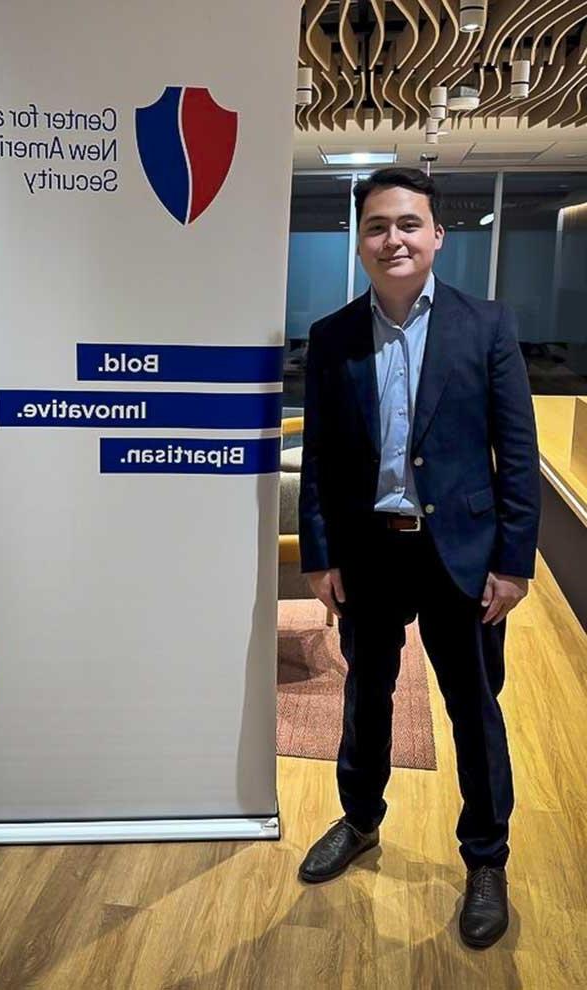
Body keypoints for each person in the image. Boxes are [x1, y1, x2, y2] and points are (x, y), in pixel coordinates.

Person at [297, 167, 540, 950]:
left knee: (474, 709)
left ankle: (486, 858)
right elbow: (324, 459)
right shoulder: (333, 336)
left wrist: (514, 561)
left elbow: (518, 451)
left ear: (438, 235)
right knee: (366, 696)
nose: (392, 238)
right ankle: (361, 820)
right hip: (371, 553)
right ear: (360, 241)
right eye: (376, 226)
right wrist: (320, 554)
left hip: (462, 558)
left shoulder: (487, 325)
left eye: (408, 224)